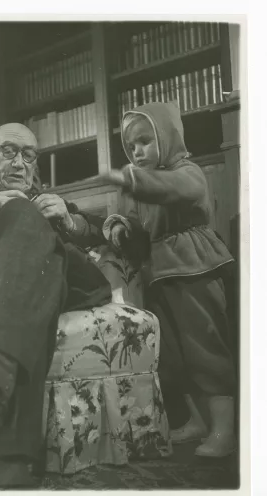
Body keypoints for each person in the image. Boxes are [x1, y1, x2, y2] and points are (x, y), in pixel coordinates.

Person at [0, 122, 113, 487]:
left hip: (72, 282)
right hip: (11, 290)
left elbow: (104, 229)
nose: (19, 164)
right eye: (8, 151)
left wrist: (69, 220)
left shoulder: (46, 197)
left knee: (23, 215)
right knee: (25, 313)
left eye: (29, 155)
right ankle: (4, 461)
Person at [100, 102, 236, 458]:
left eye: (145, 141)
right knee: (173, 354)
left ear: (167, 137)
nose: (137, 151)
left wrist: (131, 179)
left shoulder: (185, 170)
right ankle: (198, 419)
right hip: (157, 271)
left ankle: (224, 429)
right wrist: (119, 226)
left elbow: (176, 189)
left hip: (193, 265)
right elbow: (131, 218)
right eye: (131, 147)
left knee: (204, 347)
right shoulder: (142, 182)